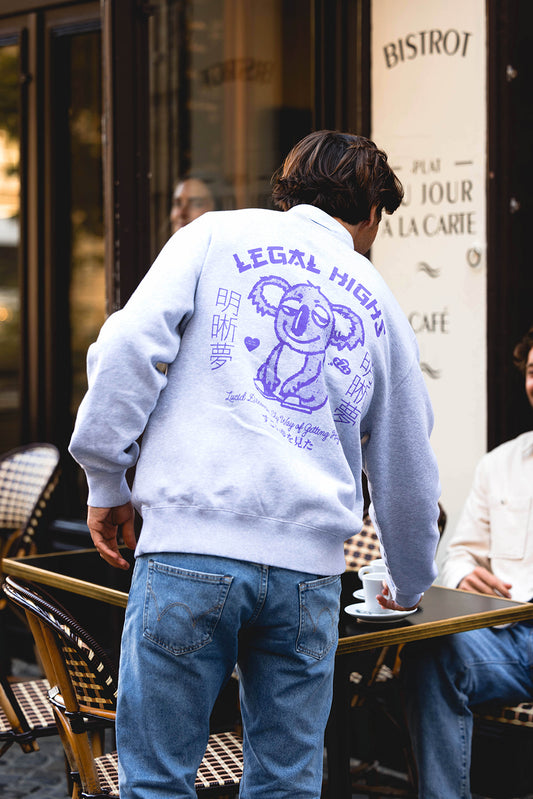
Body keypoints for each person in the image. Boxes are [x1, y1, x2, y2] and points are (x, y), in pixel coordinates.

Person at [69, 130, 441, 799]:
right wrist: (409, 578)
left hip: (189, 549)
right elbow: (407, 457)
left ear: (286, 190)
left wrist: (106, 478)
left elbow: (126, 347)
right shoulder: (378, 299)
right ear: (371, 213)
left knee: (155, 780)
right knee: (285, 784)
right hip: (307, 577)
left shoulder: (212, 235)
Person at [401, 324, 533, 799]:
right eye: (532, 370)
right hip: (510, 641)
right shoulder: (499, 464)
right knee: (429, 654)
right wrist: (463, 575)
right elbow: (459, 554)